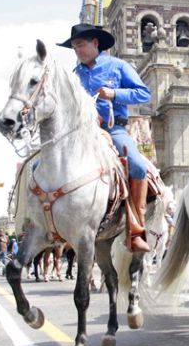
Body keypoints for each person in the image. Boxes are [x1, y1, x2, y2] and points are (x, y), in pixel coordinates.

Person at [58, 23, 153, 252]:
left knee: (138, 166)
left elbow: (143, 93)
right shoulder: (74, 75)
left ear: (95, 43)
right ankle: (57, 226)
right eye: (74, 47)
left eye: (80, 45)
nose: (77, 51)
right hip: (81, 133)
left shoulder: (118, 66)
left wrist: (114, 93)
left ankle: (136, 229)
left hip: (113, 130)